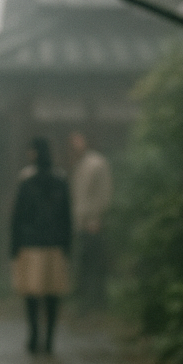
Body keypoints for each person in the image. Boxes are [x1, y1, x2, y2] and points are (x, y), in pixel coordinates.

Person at [10, 137, 72, 354]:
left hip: (31, 244)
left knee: (32, 293)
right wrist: (67, 244)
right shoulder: (60, 179)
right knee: (53, 294)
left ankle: (34, 335)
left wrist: (14, 245)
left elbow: (18, 216)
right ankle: (49, 340)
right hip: (54, 244)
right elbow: (66, 216)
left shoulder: (26, 180)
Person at [68, 130, 113, 312]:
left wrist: (97, 218)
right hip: (81, 222)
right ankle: (86, 302)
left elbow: (104, 193)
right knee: (84, 263)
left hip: (93, 222)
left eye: (79, 140)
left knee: (95, 263)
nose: (75, 145)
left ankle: (96, 302)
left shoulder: (97, 163)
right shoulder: (79, 165)